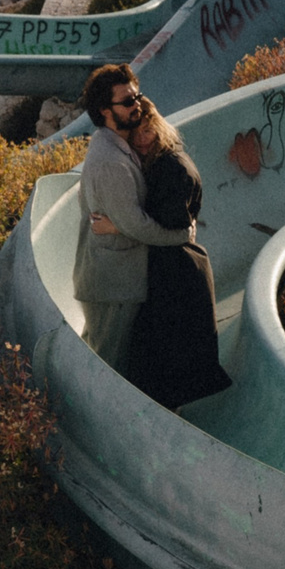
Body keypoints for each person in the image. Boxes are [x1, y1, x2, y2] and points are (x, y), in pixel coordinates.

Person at [72, 64, 190, 372]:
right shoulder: (111, 160)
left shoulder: (117, 145)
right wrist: (180, 236)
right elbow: (136, 225)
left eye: (137, 97)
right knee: (108, 367)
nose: (136, 105)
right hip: (113, 285)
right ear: (105, 111)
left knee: (102, 357)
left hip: (115, 280)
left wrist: (116, 226)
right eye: (127, 102)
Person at [122, 99, 232, 409]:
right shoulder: (164, 161)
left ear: (158, 127)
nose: (142, 140)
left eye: (147, 131)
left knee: (168, 362)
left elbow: (168, 224)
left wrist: (118, 225)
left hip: (178, 272)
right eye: (135, 135)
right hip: (178, 267)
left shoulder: (171, 168)